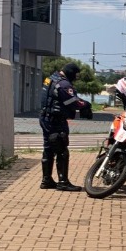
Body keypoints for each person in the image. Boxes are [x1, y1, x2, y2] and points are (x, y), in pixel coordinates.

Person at [40, 63, 93, 191]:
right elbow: (73, 102)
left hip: (46, 118)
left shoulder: (50, 79)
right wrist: (86, 104)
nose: (76, 78)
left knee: (48, 149)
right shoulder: (64, 84)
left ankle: (46, 180)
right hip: (56, 121)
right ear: (70, 72)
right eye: (75, 75)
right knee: (62, 149)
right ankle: (63, 182)